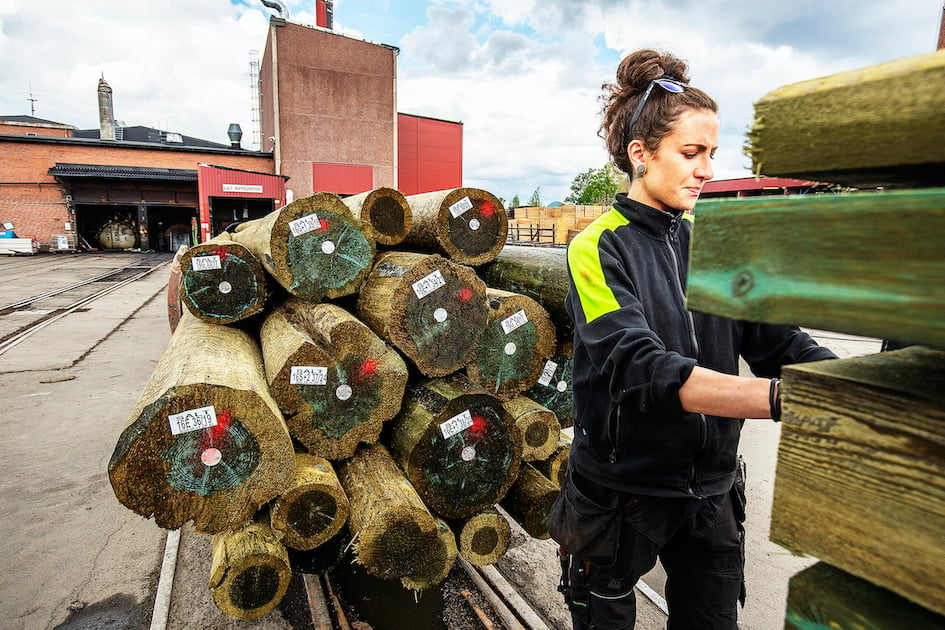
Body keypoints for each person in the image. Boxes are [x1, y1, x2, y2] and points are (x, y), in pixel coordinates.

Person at [547, 49, 837, 629]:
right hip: (621, 494)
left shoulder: (714, 247)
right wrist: (780, 399)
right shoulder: (599, 246)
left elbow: (778, 342)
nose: (706, 169)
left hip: (711, 491)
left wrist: (845, 382)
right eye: (691, 152)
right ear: (641, 154)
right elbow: (640, 367)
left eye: (712, 154)